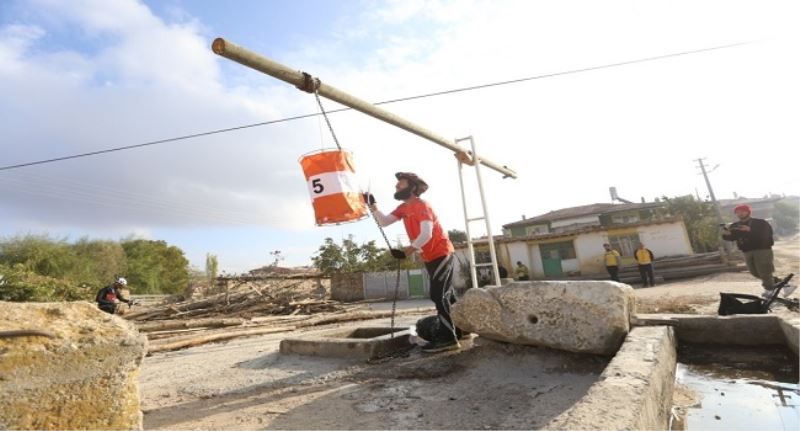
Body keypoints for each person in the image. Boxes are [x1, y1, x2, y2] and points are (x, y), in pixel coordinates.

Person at [366, 172, 460, 353]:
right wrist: (373, 206)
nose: (396, 187)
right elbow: (384, 222)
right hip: (430, 257)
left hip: (441, 253)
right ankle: (460, 329)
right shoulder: (403, 208)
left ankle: (448, 339)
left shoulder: (422, 205)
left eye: (400, 185)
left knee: (438, 295)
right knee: (447, 295)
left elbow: (427, 234)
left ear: (412, 188)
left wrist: (407, 251)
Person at [722, 204, 795, 298]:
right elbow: (731, 237)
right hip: (747, 251)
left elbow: (768, 233)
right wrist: (725, 233)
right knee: (754, 272)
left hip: (762, 249)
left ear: (748, 212)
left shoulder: (760, 222)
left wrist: (750, 230)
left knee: (764, 271)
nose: (740, 214)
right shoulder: (735, 225)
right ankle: (785, 285)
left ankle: (769, 290)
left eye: (742, 211)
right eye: (737, 212)